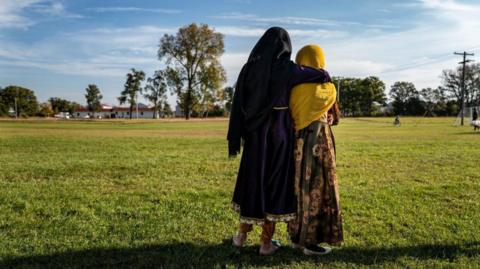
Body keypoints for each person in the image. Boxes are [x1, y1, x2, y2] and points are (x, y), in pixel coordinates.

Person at [227, 28, 332, 256]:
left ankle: (240, 236)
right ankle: (266, 244)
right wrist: (325, 75)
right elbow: (315, 74)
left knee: (253, 182)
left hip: (255, 135)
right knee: (274, 185)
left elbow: (238, 103)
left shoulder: (248, 69)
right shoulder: (286, 68)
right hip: (279, 135)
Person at [287, 45, 343, 255]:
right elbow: (334, 116)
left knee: (298, 189)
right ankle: (310, 242)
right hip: (320, 143)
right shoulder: (328, 88)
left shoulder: (292, 89)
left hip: (297, 144)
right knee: (318, 190)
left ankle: (296, 236)